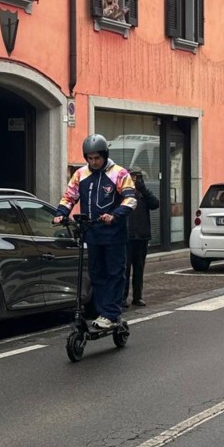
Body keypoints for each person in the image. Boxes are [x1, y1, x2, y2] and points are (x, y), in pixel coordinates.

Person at [53, 134, 137, 329]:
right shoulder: (80, 174)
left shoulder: (119, 173)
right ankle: (101, 312)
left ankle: (111, 313)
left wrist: (114, 215)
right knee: (96, 274)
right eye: (89, 158)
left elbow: (131, 199)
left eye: (97, 158)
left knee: (115, 273)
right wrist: (61, 213)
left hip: (114, 234)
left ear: (105, 155)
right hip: (92, 234)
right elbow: (69, 196)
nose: (93, 162)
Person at [124, 168, 161, 308]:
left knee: (139, 268)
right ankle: (122, 297)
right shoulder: (123, 192)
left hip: (142, 235)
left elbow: (155, 204)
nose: (135, 180)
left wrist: (143, 190)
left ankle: (137, 297)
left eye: (137, 177)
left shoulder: (144, 194)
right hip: (127, 236)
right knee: (125, 268)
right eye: (132, 177)